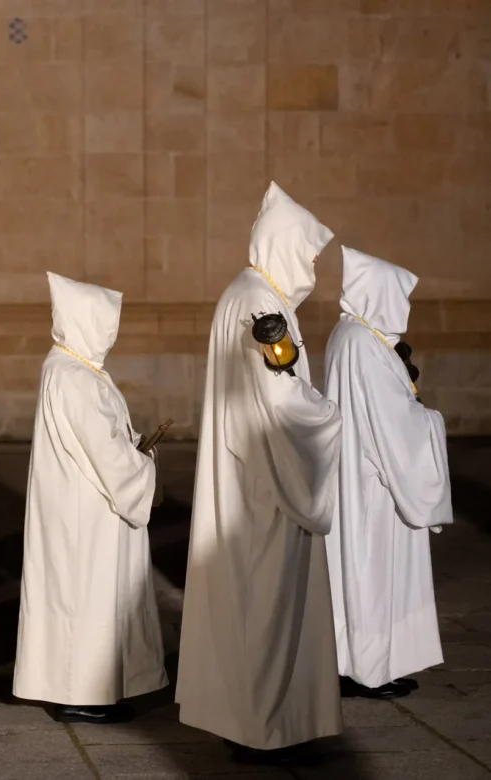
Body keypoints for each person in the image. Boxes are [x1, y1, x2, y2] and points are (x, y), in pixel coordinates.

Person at [175, 182, 344, 765]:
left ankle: (253, 720)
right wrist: (329, 415)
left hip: (248, 475)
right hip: (265, 483)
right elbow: (281, 405)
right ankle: (264, 727)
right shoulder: (260, 305)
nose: (315, 264)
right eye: (310, 251)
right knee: (266, 603)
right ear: (285, 245)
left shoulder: (247, 293)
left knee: (248, 603)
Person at [13, 273, 167, 724]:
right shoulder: (74, 376)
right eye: (105, 321)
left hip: (84, 505)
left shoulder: (73, 368)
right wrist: (142, 462)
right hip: (87, 510)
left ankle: (91, 686)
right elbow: (105, 451)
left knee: (86, 596)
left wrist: (135, 445)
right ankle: (81, 692)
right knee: (86, 596)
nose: (110, 332)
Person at [324, 247, 452, 700]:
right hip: (376, 485)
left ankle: (355, 661)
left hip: (361, 479)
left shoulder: (354, 336)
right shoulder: (363, 344)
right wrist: (431, 422)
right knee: (374, 572)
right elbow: (392, 423)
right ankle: (370, 667)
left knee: (360, 571)